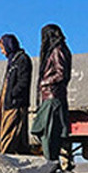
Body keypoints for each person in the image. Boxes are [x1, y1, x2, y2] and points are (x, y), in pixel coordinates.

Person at [31, 24, 72, 162]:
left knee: (49, 135)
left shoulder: (57, 50)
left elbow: (61, 73)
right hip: (52, 97)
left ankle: (51, 165)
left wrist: (45, 82)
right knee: (49, 134)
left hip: (52, 98)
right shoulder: (60, 49)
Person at [0, 34, 32, 154]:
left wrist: (12, 95)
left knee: (9, 134)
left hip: (16, 105)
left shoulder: (22, 60)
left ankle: (4, 160)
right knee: (8, 134)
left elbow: (23, 82)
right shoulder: (12, 61)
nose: (2, 52)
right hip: (8, 104)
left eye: (2, 48)